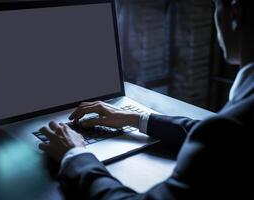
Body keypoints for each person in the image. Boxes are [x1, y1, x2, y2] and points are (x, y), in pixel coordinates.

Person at [38, 0, 254, 199]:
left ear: (234, 14)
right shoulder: (233, 121)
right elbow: (214, 132)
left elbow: (221, 136)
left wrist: (75, 156)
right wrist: (136, 118)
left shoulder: (227, 132)